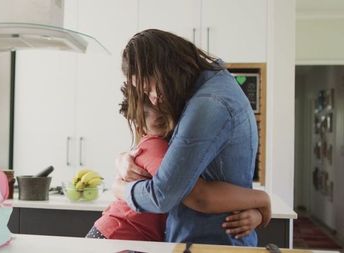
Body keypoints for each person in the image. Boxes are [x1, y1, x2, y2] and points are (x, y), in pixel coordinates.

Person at [112, 29, 261, 246]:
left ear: (165, 68)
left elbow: (163, 195)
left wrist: (118, 188)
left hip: (210, 243)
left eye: (150, 86)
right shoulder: (215, 86)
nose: (153, 98)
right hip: (213, 240)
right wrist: (123, 158)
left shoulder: (208, 105)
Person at [87, 90, 270, 241]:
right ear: (140, 126)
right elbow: (194, 194)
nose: (157, 113)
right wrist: (261, 200)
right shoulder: (156, 146)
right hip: (118, 236)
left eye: (160, 107)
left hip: (123, 236)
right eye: (147, 112)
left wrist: (256, 214)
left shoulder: (170, 147)